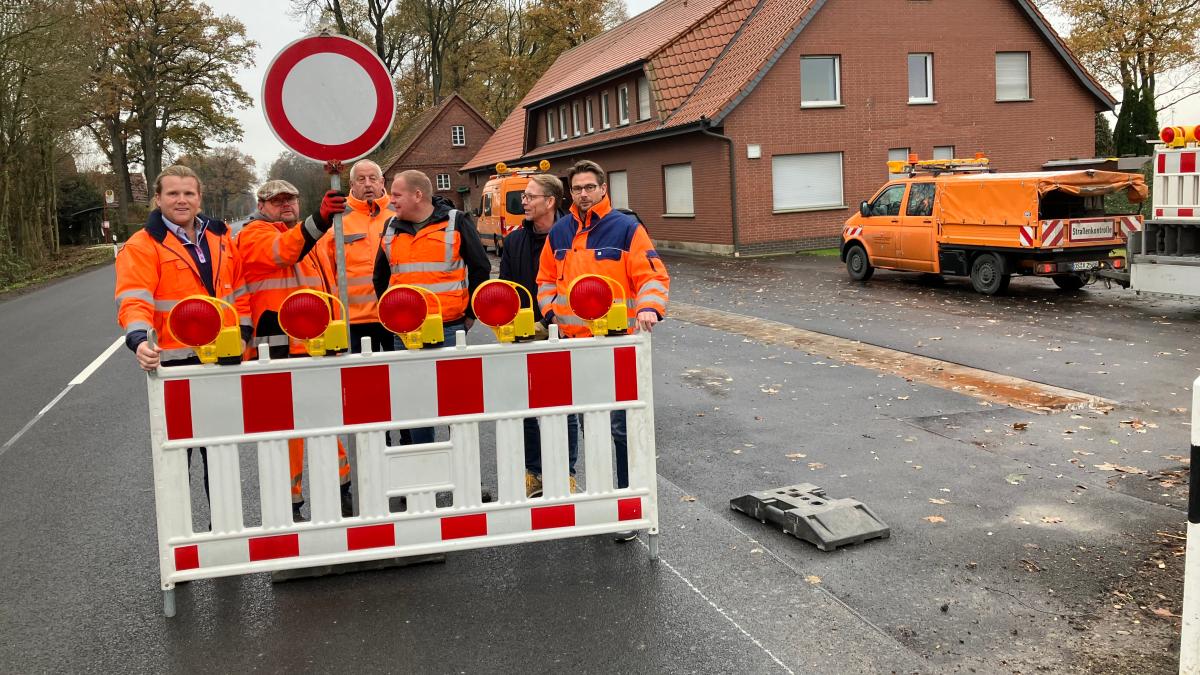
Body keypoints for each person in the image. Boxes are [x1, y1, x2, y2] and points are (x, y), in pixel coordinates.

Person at [535, 160, 670, 541]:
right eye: (577, 189)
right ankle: (596, 501)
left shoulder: (626, 228)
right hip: (575, 346)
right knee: (583, 423)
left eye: (589, 187)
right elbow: (545, 278)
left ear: (603, 188)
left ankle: (627, 506)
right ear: (570, 193)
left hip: (616, 344)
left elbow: (653, 275)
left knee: (620, 427)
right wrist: (550, 313)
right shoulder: (560, 231)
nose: (583, 194)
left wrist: (649, 307)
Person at [114, 165, 252, 518]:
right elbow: (135, 299)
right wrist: (138, 339)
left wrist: (245, 336)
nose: (181, 200)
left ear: (199, 198)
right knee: (177, 457)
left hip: (221, 361)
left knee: (221, 452)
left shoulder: (220, 238)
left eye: (188, 193)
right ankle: (178, 544)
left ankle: (225, 529)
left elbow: (238, 292)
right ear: (157, 199)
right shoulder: (142, 246)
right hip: (174, 366)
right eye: (173, 193)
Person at [236, 179, 354, 520]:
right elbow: (285, 250)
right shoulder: (255, 235)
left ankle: (341, 491)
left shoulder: (311, 238)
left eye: (291, 199)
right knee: (288, 435)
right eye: (277, 201)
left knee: (326, 424)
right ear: (262, 205)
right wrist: (318, 219)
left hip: (317, 346)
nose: (286, 204)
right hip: (278, 349)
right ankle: (289, 507)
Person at [372, 169, 491, 444]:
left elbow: (481, 267)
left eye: (397, 195)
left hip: (449, 328)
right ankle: (424, 471)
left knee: (454, 404)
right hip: (406, 332)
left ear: (418, 195)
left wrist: (471, 313)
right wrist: (391, 313)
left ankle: (465, 473)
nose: (391, 201)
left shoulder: (455, 222)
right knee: (417, 405)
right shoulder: (391, 227)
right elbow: (380, 276)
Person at [499, 174, 579, 497]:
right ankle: (535, 472)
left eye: (530, 196)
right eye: (524, 197)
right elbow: (505, 285)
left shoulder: (572, 237)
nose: (524, 202)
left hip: (564, 330)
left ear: (550, 201)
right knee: (529, 406)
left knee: (566, 406)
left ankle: (566, 473)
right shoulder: (515, 240)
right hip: (525, 334)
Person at [321, 159, 394, 353]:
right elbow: (326, 271)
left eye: (373, 178)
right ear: (351, 185)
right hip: (353, 319)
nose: (368, 184)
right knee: (359, 380)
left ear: (382, 182)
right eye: (361, 179)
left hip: (395, 313)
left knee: (400, 376)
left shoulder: (399, 213)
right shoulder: (336, 217)